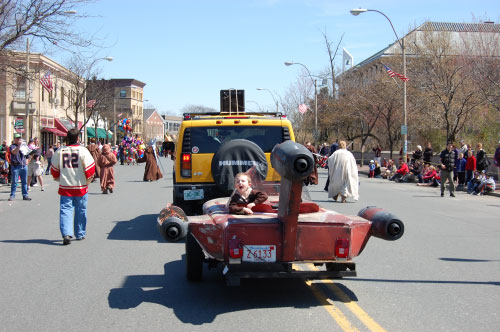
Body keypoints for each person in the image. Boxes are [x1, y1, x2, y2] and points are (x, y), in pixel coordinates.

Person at [51, 128, 95, 245]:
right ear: (78, 138)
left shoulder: (60, 151)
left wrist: (59, 178)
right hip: (80, 186)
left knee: (65, 209)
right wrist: (87, 180)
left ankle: (66, 233)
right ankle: (80, 233)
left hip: (66, 186)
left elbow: (54, 170)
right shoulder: (83, 151)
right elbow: (90, 169)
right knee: (81, 210)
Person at [8, 134, 31, 201]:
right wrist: (19, 146)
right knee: (14, 181)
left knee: (24, 182)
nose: (19, 140)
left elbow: (28, 154)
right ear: (15, 139)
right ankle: (12, 195)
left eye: (20, 138)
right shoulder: (12, 146)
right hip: (16, 166)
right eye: (17, 138)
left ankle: (25, 195)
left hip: (23, 166)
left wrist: (27, 160)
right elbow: (14, 152)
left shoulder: (24, 146)